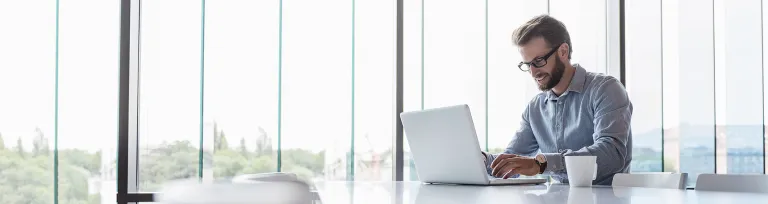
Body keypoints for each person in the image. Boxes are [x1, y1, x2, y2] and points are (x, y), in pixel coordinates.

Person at [481, 14, 633, 185]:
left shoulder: (605, 89)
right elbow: (511, 161)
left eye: (539, 61)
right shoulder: (535, 108)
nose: (533, 72)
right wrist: (482, 159)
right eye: (527, 64)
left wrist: (542, 163)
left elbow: (612, 153)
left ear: (563, 51)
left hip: (608, 198)